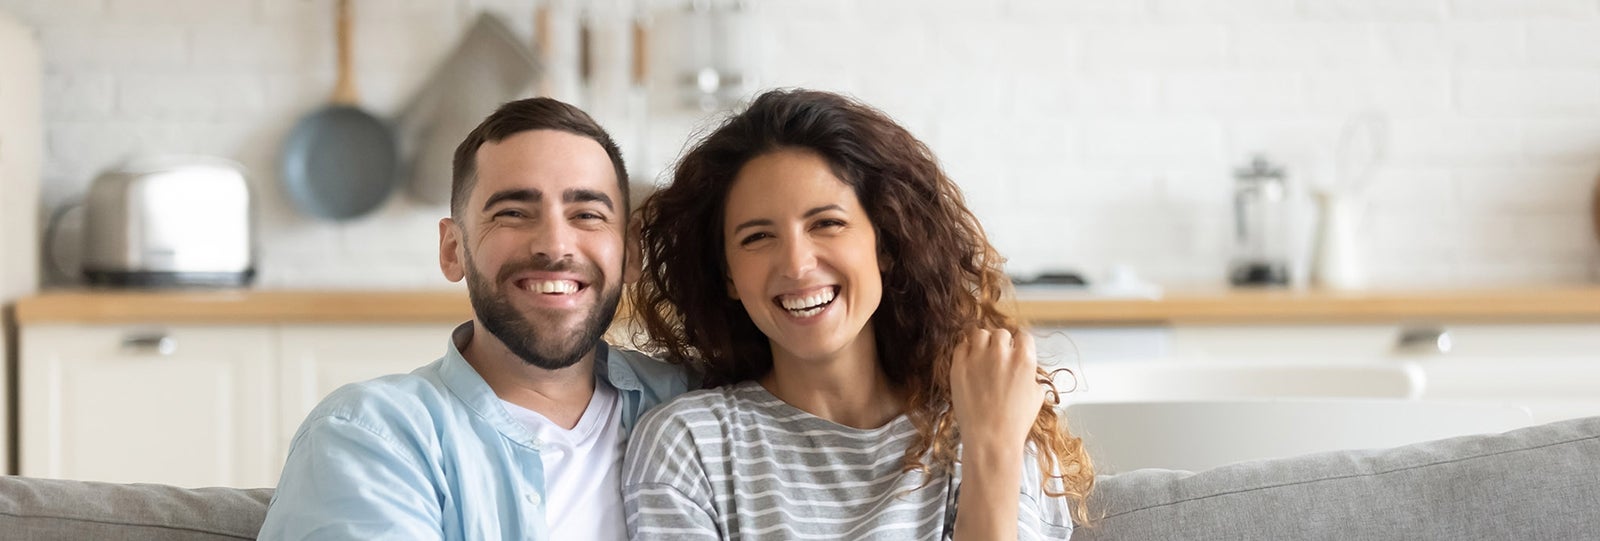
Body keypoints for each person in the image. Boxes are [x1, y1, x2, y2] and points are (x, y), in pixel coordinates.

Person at [621, 89, 1094, 540]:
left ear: (885, 243)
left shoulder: (992, 419)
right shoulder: (690, 446)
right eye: (757, 237)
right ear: (727, 274)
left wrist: (991, 449)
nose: (796, 264)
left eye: (827, 223)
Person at [259, 98, 689, 540]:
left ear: (631, 252)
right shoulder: (369, 437)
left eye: (587, 215)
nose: (555, 246)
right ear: (452, 250)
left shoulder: (694, 406)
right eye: (513, 213)